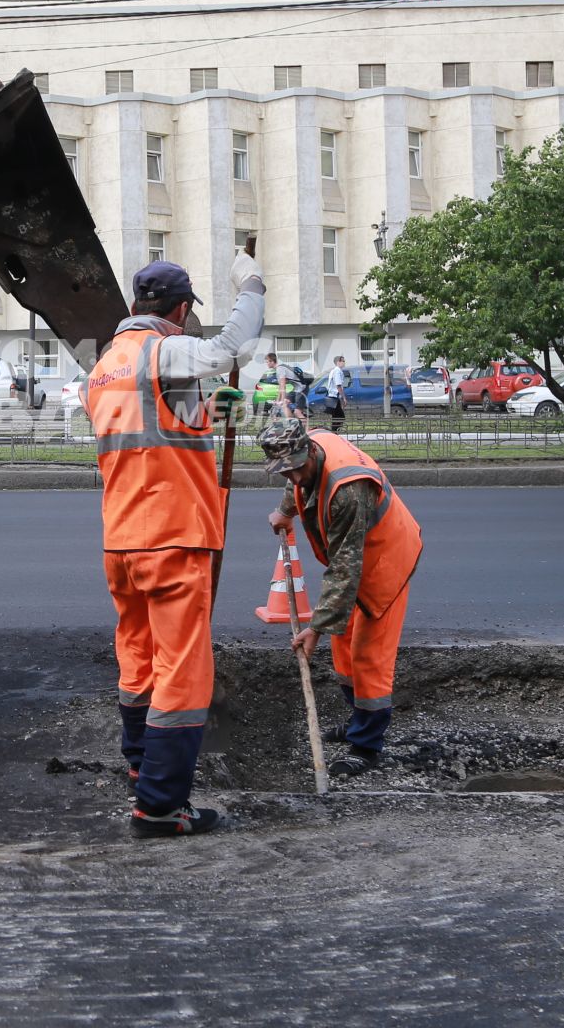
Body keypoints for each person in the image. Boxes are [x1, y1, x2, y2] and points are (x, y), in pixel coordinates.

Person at [86, 250, 265, 837]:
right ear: (181, 311)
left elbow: (153, 429)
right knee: (183, 671)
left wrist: (208, 410)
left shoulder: (106, 365)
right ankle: (161, 807)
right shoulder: (164, 349)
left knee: (137, 658)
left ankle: (141, 766)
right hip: (171, 540)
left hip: (123, 541)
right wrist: (251, 287)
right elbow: (231, 349)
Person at [259, 415, 424, 779]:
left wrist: (313, 629)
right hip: (354, 559)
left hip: (385, 561)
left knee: (368, 655)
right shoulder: (308, 449)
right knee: (343, 647)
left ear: (310, 452)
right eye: (285, 472)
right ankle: (357, 722)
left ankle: (366, 745)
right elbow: (298, 483)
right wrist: (286, 511)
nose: (294, 478)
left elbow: (345, 571)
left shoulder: (349, 490)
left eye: (297, 469)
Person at [322, 355, 348, 420]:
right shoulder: (337, 371)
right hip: (335, 397)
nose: (344, 362)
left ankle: (335, 429)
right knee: (340, 417)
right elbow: (338, 385)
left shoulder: (333, 371)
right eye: (343, 361)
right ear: (338, 362)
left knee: (336, 416)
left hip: (332, 396)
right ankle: (335, 430)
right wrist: (343, 398)